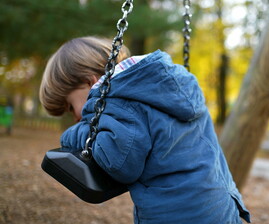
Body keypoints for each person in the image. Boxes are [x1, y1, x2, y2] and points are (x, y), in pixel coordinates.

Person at [39, 36, 251, 224]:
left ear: (90, 82)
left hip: (177, 215)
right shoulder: (165, 88)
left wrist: (74, 134)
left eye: (70, 107)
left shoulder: (119, 103)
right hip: (221, 207)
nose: (76, 117)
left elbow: (119, 163)